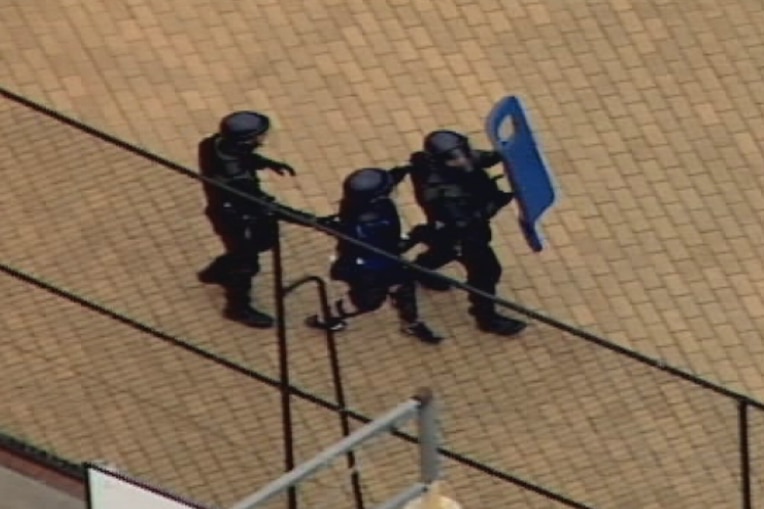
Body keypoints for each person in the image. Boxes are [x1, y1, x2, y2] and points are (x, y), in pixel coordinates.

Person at [397, 130, 528, 336]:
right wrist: (496, 202)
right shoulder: (442, 194)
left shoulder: (445, 162)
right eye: (454, 159)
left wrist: (503, 154)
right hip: (462, 233)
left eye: (463, 154)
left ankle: (420, 271)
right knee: (486, 272)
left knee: (443, 250)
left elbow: (476, 160)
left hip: (449, 229)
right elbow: (467, 222)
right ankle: (486, 317)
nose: (462, 161)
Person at [306, 167, 443, 344]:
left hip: (385, 262)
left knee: (404, 290)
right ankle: (326, 318)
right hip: (369, 268)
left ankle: (410, 323)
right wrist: (418, 234)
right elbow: (392, 248)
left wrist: (404, 169)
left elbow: (388, 180)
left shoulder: (356, 202)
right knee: (366, 301)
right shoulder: (371, 225)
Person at [197, 110, 296, 328]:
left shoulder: (211, 144)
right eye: (259, 136)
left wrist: (265, 163)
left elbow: (239, 157)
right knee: (245, 264)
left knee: (237, 253)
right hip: (237, 220)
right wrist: (308, 219)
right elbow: (263, 204)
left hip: (223, 211)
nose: (262, 138)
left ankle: (215, 272)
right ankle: (237, 307)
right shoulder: (238, 179)